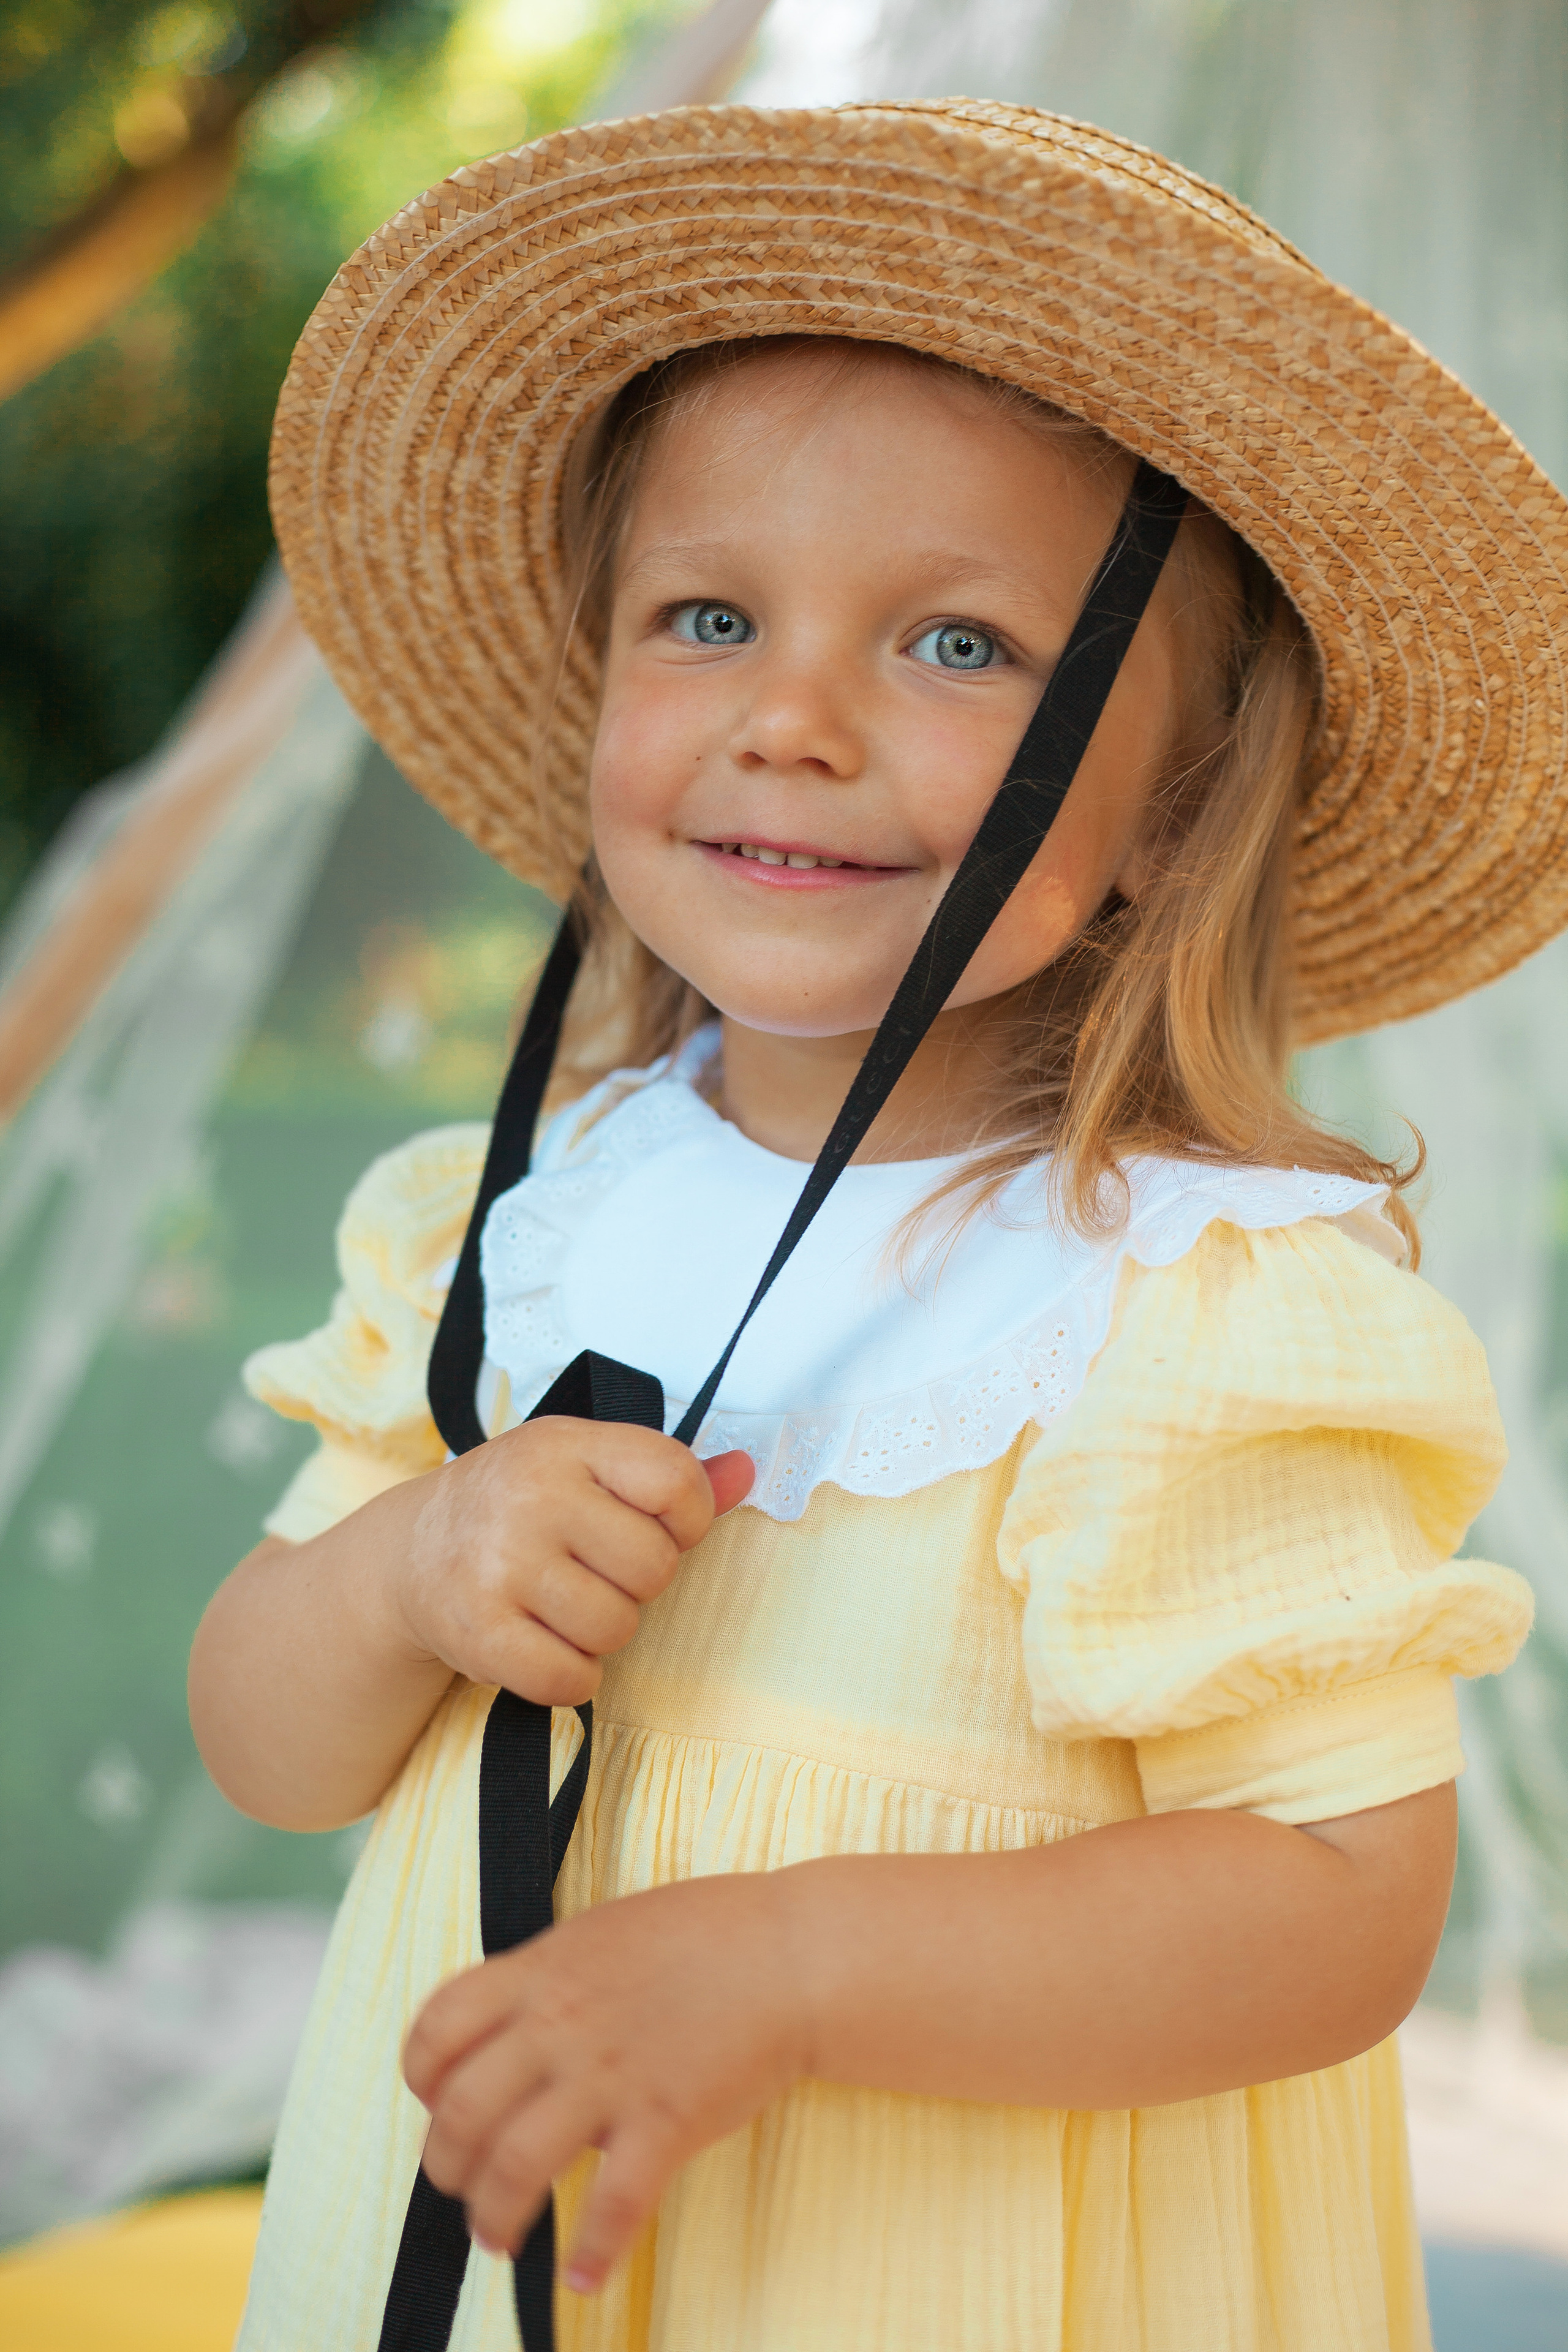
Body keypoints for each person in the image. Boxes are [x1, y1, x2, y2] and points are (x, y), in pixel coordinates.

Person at [189, 102, 1568, 2352]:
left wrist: (793, 1969)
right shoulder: (506, 1232)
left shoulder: (1192, 1312)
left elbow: (1337, 1901)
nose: (795, 720)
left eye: (956, 647)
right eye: (709, 616)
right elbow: (274, 1744)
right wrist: (409, 1570)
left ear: (1177, 805)